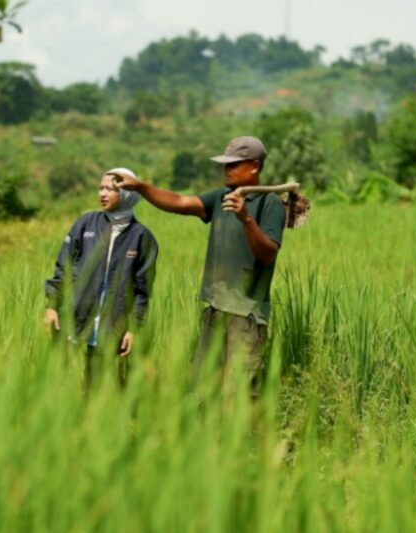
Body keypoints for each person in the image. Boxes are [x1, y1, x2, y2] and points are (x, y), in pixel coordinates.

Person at [111, 136, 286, 395]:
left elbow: (267, 255)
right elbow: (180, 203)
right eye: (225, 164)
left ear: (254, 167)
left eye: (233, 164)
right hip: (215, 311)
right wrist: (140, 187)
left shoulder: (269, 204)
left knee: (236, 395)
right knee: (203, 390)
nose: (226, 169)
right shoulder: (221, 198)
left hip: (245, 315)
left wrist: (246, 218)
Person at [44, 168, 158, 387]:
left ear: (127, 194)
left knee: (95, 383)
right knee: (54, 379)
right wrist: (51, 306)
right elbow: (63, 268)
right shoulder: (86, 224)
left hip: (110, 323)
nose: (103, 194)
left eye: (111, 189)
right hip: (73, 316)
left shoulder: (142, 238)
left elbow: (142, 291)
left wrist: (134, 328)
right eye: (101, 188)